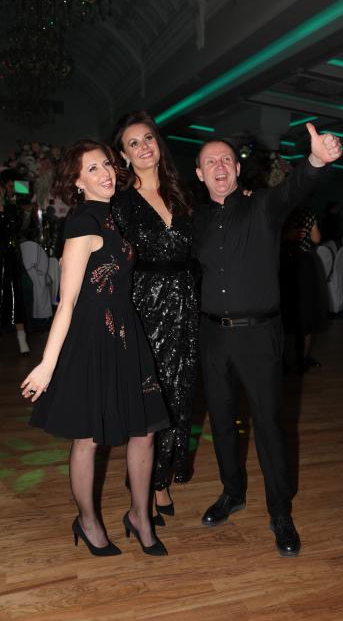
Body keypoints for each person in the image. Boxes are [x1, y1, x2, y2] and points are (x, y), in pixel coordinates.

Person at [192, 123, 342, 557]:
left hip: (259, 335)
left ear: (237, 168)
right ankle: (232, 492)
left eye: (226, 159)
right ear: (200, 174)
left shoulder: (262, 206)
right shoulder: (195, 220)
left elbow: (294, 188)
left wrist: (315, 160)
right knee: (222, 422)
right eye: (210, 162)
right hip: (212, 335)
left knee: (269, 427)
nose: (219, 167)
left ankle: (280, 512)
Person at [22, 140, 169, 557]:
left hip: (126, 332)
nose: (105, 173)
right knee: (88, 437)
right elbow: (66, 302)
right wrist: (47, 365)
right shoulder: (83, 222)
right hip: (92, 338)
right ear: (76, 182)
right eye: (92, 169)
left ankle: (140, 516)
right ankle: (87, 521)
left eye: (106, 164)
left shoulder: (111, 214)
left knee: (145, 431)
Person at [111, 111, 199, 522]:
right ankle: (142, 488)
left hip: (185, 303)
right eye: (134, 143)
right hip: (143, 306)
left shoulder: (181, 193)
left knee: (179, 395)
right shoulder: (120, 202)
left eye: (148, 138)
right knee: (150, 398)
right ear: (124, 156)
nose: (144, 147)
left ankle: (160, 480)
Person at [280, 206, 326, 373]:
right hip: (303, 264)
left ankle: (284, 361)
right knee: (305, 311)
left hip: (283, 262)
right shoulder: (308, 213)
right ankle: (303, 358)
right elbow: (316, 239)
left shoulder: (280, 210)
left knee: (285, 312)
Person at [0, 170, 30, 355]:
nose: (10, 189)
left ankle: (22, 339)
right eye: (8, 186)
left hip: (10, 256)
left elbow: (20, 227)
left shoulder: (13, 208)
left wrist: (18, 206)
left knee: (14, 294)